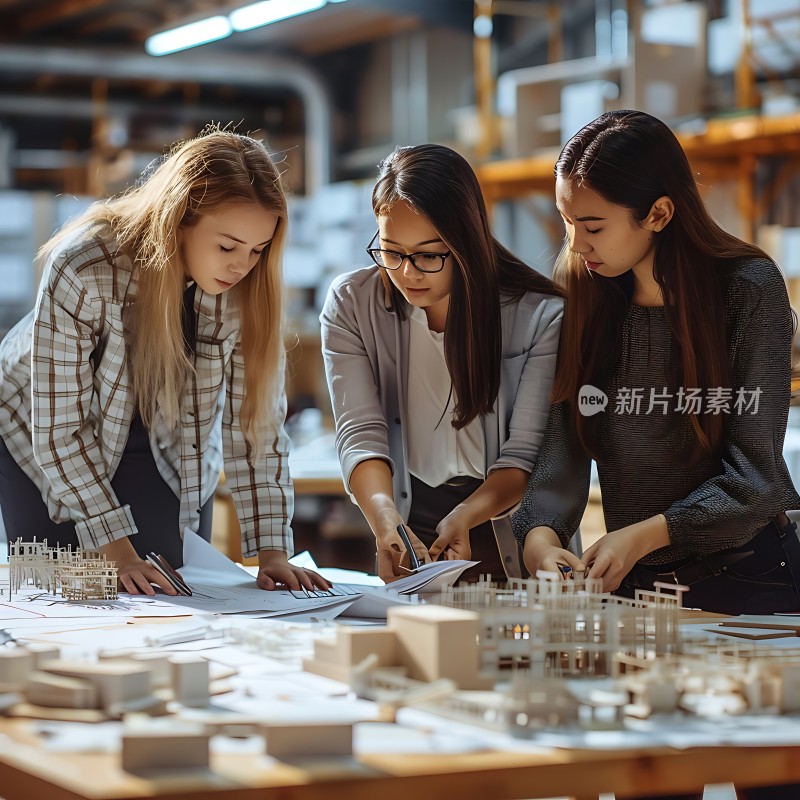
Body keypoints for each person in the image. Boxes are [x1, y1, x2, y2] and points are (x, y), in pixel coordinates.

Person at [0, 127, 327, 596]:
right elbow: (59, 429)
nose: (242, 266)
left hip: (164, 433)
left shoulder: (245, 289)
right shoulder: (84, 267)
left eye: (258, 250)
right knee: (75, 588)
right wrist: (118, 553)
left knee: (175, 585)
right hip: (40, 430)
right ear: (179, 221)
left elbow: (255, 425)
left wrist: (273, 553)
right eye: (227, 246)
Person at [513, 110, 800, 619]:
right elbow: (563, 452)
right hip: (638, 592)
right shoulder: (585, 295)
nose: (577, 244)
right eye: (567, 222)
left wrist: (644, 537)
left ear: (659, 214)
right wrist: (539, 540)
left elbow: (756, 480)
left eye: (593, 225)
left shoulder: (749, 289)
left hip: (750, 582)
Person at [321, 143, 564, 583]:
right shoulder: (352, 304)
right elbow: (360, 433)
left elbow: (524, 456)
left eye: (428, 255)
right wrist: (383, 520)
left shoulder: (537, 316)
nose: (408, 272)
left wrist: (466, 516)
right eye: (391, 252)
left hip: (505, 525)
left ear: (466, 241)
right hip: (404, 511)